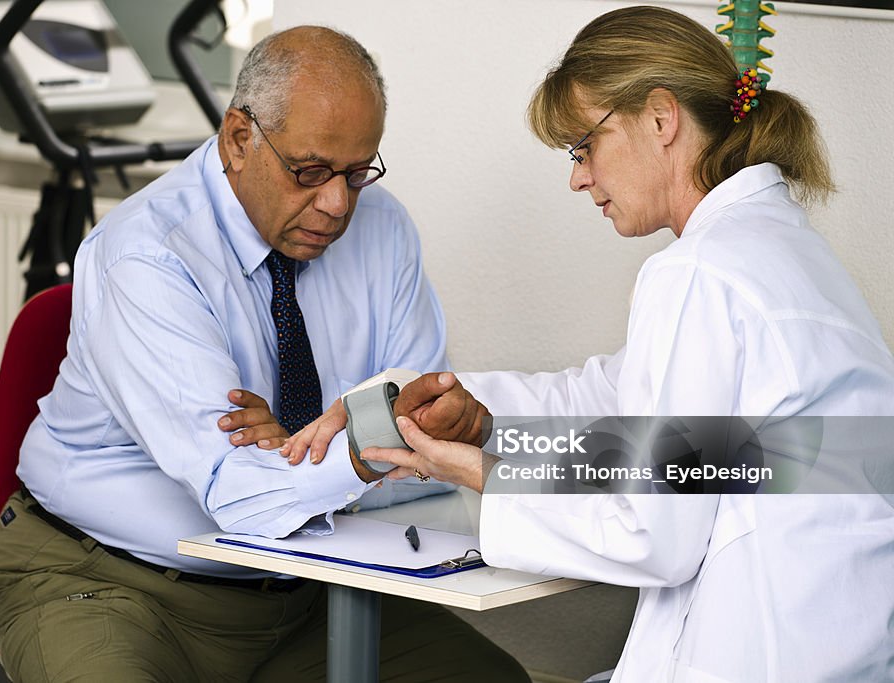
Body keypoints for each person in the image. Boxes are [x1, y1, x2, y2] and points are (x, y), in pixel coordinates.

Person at [286, 7, 894, 683]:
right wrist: (480, 417)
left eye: (583, 147)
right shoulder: (789, 254)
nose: (578, 177)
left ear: (661, 119)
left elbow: (654, 534)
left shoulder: (699, 273)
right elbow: (636, 416)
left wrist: (475, 470)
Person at [0, 26, 527, 683]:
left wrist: (299, 443)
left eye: (357, 173)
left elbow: (419, 455)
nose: (337, 204)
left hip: (309, 589)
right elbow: (237, 495)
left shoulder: (384, 230)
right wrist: (353, 444)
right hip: (109, 578)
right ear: (239, 137)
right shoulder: (147, 254)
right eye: (310, 171)